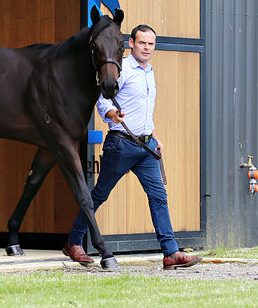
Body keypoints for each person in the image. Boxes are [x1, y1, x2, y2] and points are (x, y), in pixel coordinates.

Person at [63, 24, 202, 270]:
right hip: (121, 145)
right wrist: (113, 114)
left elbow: (144, 111)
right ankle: (74, 241)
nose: (147, 47)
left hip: (146, 146)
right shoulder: (124, 68)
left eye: (151, 44)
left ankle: (170, 253)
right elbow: (103, 101)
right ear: (131, 44)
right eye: (142, 43)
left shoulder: (150, 71)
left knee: (159, 197)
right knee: (99, 195)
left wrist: (155, 136)